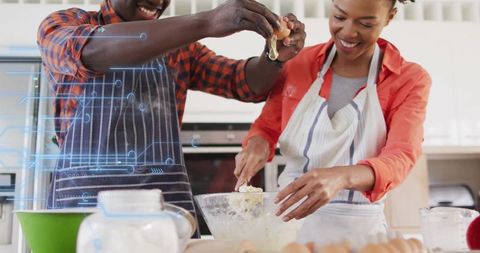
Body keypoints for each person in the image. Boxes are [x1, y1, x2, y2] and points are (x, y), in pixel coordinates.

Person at [37, 0, 306, 220]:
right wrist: (207, 22)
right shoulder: (64, 24)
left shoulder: (180, 49)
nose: (157, 2)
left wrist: (274, 56)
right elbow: (92, 50)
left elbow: (244, 83)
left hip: (163, 214)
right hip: (85, 210)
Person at [234, 0, 431, 244]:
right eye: (339, 17)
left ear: (389, 17)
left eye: (366, 23)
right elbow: (266, 127)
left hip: (361, 236)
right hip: (287, 229)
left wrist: (341, 177)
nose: (348, 32)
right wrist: (256, 146)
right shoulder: (298, 63)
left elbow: (401, 156)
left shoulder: (408, 79)